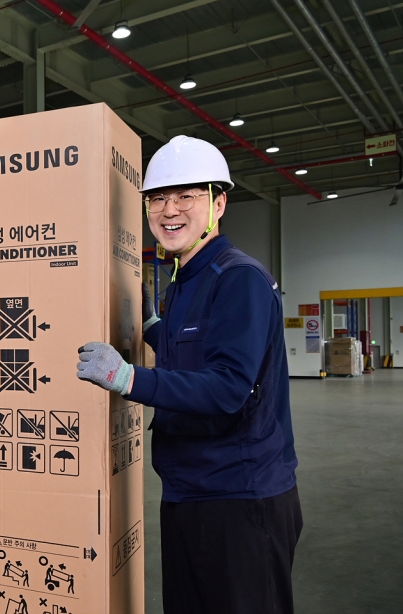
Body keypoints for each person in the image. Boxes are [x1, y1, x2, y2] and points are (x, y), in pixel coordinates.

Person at [75, 136, 302, 614]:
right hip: (187, 491)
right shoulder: (183, 280)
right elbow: (191, 352)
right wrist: (152, 328)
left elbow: (228, 387)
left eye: (186, 196)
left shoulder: (239, 278)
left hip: (240, 498)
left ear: (218, 204)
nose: (169, 210)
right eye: (158, 198)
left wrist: (129, 378)